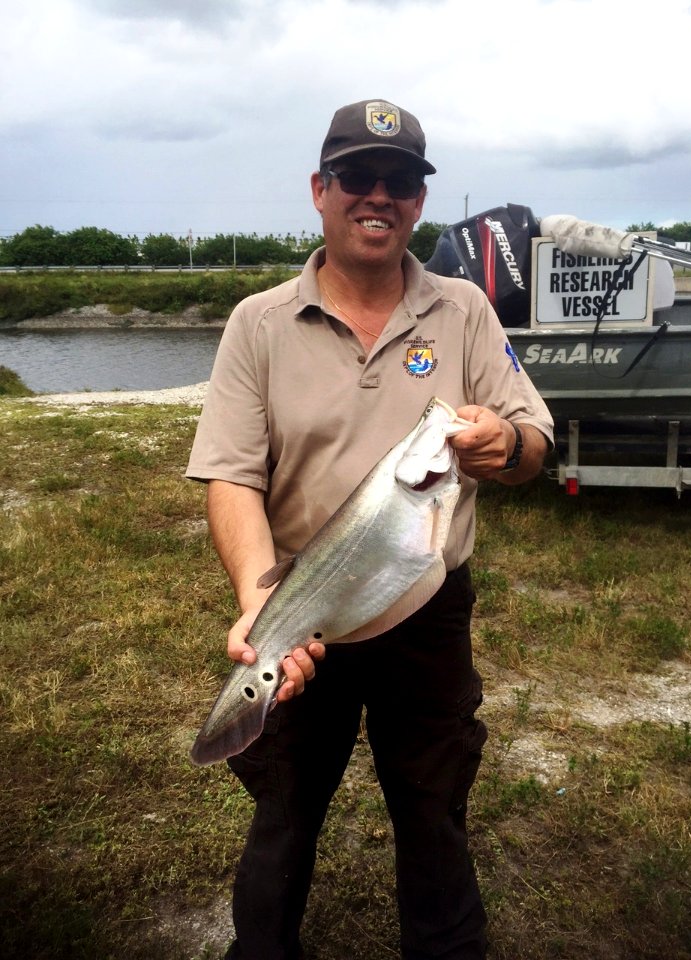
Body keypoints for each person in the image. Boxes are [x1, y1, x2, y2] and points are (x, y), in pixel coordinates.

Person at [186, 98, 554, 960]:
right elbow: (231, 474)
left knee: (434, 808)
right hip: (299, 611)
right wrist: (258, 601)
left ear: (419, 201)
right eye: (358, 177)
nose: (377, 196)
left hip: (426, 614)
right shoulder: (259, 323)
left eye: (399, 181)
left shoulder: (465, 310)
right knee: (283, 813)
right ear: (321, 189)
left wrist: (507, 444)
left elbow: (532, 436)